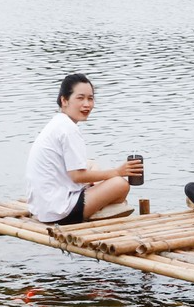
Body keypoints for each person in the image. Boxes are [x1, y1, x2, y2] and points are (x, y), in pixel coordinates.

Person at [24, 73, 141, 226]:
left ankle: (98, 201)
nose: (87, 104)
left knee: (91, 164)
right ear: (64, 100)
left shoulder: (58, 123)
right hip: (59, 211)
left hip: (42, 206)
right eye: (80, 98)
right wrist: (117, 172)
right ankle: (98, 209)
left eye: (90, 98)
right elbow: (77, 176)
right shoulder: (68, 129)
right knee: (121, 184)